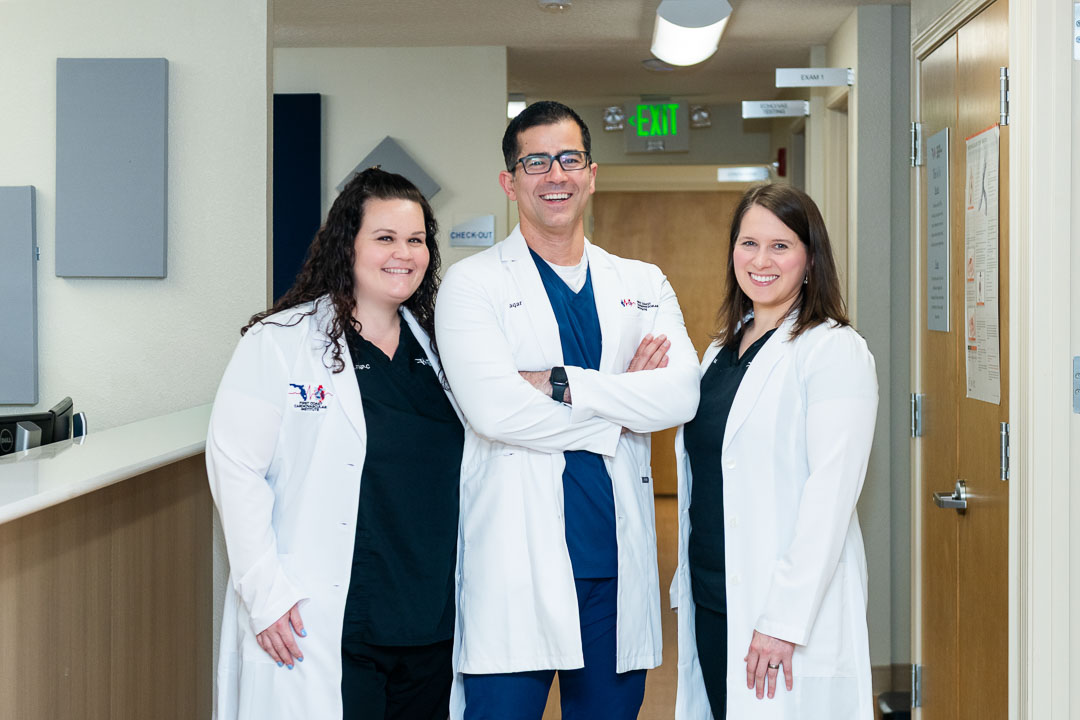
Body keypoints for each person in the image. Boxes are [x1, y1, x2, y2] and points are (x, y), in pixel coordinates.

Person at [434, 100, 701, 720]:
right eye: (535, 162)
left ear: (591, 172)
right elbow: (494, 413)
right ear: (510, 181)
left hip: (614, 562)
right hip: (516, 562)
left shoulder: (643, 280)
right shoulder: (473, 284)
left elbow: (681, 395)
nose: (555, 175)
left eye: (569, 159)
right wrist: (623, 404)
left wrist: (560, 383)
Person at [207, 168, 464, 720]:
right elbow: (236, 469)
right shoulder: (280, 342)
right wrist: (266, 594)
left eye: (416, 240)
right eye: (385, 238)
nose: (404, 253)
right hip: (331, 619)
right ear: (348, 244)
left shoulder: (442, 348)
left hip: (432, 619)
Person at [672, 184, 878, 719]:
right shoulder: (721, 348)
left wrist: (783, 621)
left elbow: (830, 496)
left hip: (781, 607)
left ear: (811, 259)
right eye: (748, 243)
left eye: (780, 246)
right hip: (715, 594)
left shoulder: (833, 350)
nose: (760, 260)